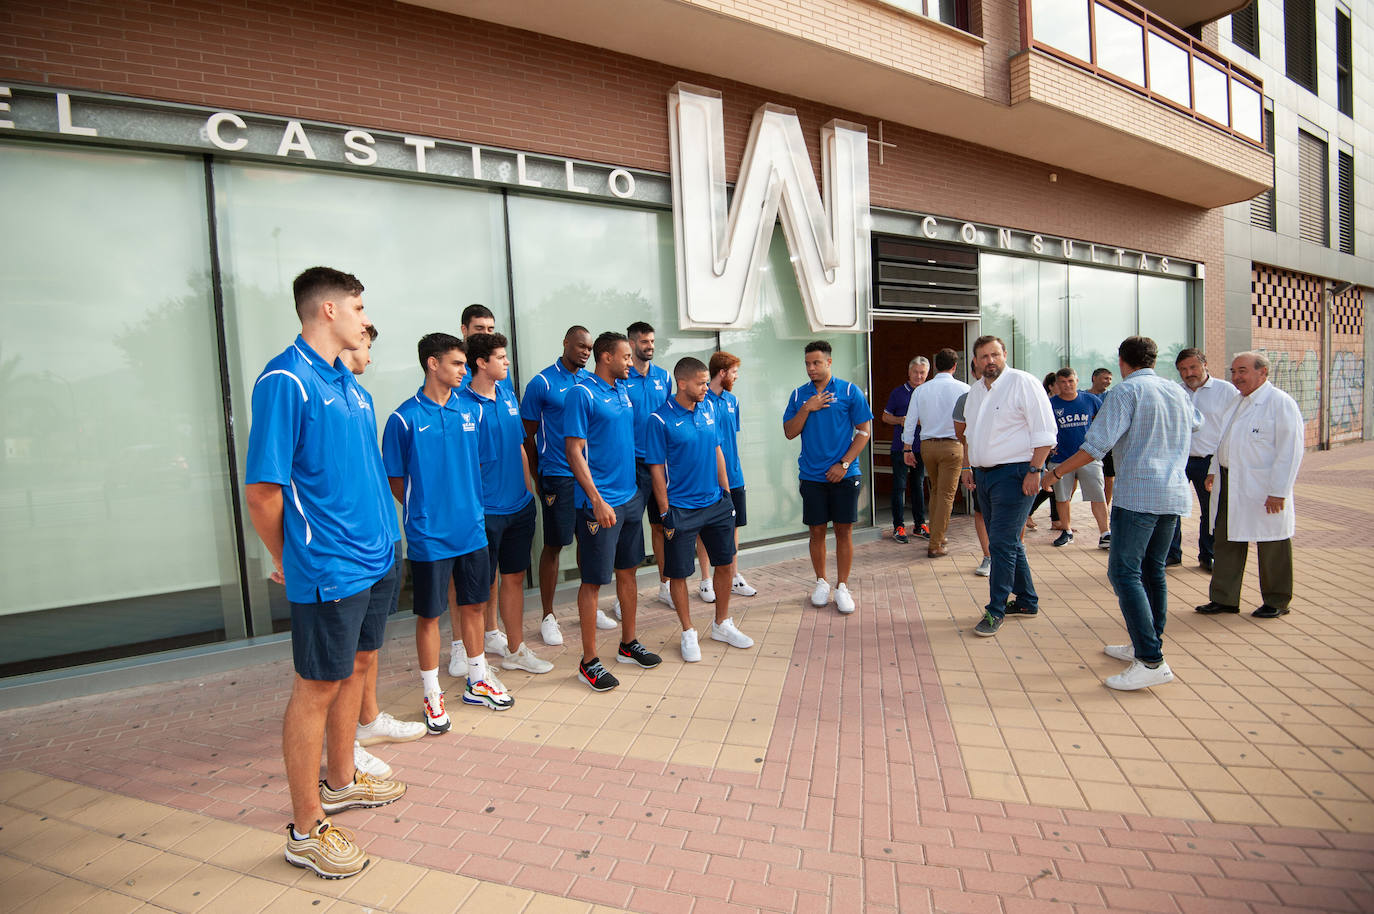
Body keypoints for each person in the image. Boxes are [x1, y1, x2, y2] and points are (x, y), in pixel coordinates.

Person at [244, 266, 406, 880]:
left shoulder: (351, 385)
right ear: (330, 310)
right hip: (329, 565)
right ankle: (305, 828)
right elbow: (264, 492)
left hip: (375, 555)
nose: (367, 319)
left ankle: (340, 781)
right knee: (315, 689)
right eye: (360, 306)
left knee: (358, 668)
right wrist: (289, 557)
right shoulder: (285, 380)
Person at [1043, 336, 1200, 690]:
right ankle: (1147, 644)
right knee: (1152, 570)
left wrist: (1054, 473)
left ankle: (1150, 659)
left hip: (1140, 494)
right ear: (1153, 360)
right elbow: (1197, 423)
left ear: (1122, 362)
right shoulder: (1176, 391)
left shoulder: (1125, 393)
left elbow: (1095, 446)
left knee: (1123, 572)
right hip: (1172, 492)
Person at [383, 334, 514, 726]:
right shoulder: (403, 418)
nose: (463, 370)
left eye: (464, 364)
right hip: (429, 536)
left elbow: (479, 467)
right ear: (432, 364)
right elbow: (394, 479)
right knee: (429, 615)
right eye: (457, 364)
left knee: (474, 605)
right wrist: (425, 511)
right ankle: (431, 693)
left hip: (471, 531)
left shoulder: (469, 412)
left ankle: (478, 679)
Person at [338, 324, 427, 781]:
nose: (370, 358)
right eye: (368, 347)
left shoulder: (359, 396)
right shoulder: (303, 387)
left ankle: (368, 721)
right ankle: (343, 749)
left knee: (369, 650)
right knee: (347, 659)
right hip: (344, 552)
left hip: (380, 542)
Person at [565, 331, 663, 691]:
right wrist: (595, 499)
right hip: (599, 505)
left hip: (629, 499)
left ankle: (628, 644)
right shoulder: (582, 393)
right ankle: (588, 661)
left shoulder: (622, 390)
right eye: (625, 357)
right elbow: (574, 451)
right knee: (593, 581)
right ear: (605, 358)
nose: (630, 362)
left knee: (629, 572)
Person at [647, 357, 754, 661]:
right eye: (701, 382)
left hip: (716, 503)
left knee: (725, 563)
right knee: (679, 573)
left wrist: (726, 493)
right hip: (681, 508)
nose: (707, 387)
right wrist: (666, 511)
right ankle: (688, 631)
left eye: (708, 382)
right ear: (682, 383)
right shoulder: (659, 419)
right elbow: (655, 469)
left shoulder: (708, 408)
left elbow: (717, 449)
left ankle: (721, 623)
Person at [460, 332, 554, 675]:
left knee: (514, 578)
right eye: (500, 357)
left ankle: (515, 651)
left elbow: (519, 445)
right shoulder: (461, 404)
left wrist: (529, 492)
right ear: (481, 363)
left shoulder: (508, 396)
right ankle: (477, 664)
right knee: (479, 589)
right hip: (484, 513)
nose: (507, 362)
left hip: (518, 508)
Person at [521, 326, 616, 645]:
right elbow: (526, 435)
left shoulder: (590, 384)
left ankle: (588, 609)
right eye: (579, 346)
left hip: (588, 478)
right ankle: (548, 615)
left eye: (589, 348)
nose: (585, 352)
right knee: (555, 544)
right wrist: (538, 475)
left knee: (589, 544)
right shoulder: (542, 383)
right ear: (565, 343)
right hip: (558, 478)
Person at [960, 335, 1056, 637]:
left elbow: (1045, 432)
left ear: (1005, 355)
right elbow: (969, 435)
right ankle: (1026, 601)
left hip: (1016, 474)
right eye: (984, 356)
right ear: (975, 361)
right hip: (984, 475)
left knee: (1000, 543)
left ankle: (996, 610)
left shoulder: (1023, 383)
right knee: (1009, 541)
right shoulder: (975, 392)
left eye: (995, 355)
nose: (990, 361)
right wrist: (968, 466)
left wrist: (1034, 470)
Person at [1197, 352, 1304, 620]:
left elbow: (1290, 452)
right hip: (1229, 482)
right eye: (1233, 371)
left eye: (1242, 371)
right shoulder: (1237, 401)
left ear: (1263, 372)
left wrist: (1279, 491)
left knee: (1272, 544)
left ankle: (1277, 599)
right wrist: (1212, 470)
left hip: (1263, 487)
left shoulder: (1279, 403)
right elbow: (1222, 441)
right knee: (1226, 540)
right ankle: (1224, 598)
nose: (1236, 377)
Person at [782, 340, 874, 615]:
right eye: (808, 363)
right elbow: (789, 432)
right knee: (816, 531)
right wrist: (807, 408)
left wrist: (844, 463)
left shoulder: (849, 391)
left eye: (816, 363)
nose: (811, 368)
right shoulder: (799, 396)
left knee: (844, 531)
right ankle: (821, 582)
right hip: (812, 475)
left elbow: (864, 432)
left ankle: (842, 586)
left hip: (845, 474)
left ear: (829, 362)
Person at [1167, 348, 1239, 570]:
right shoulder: (1174, 392)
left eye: (1193, 367)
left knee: (1211, 511)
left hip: (1210, 462)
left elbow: (1233, 426)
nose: (1189, 373)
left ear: (1205, 364)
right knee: (1171, 509)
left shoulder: (1226, 391)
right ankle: (1171, 554)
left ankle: (1208, 555)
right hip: (1178, 460)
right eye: (1183, 370)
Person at [694, 351, 758, 601]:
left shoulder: (733, 401)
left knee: (732, 526)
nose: (736, 376)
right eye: (733, 371)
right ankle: (705, 580)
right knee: (704, 528)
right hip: (707, 476)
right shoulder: (700, 400)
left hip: (734, 475)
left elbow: (732, 437)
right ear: (722, 373)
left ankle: (733, 576)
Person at [623, 321, 674, 610]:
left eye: (652, 341)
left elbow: (669, 418)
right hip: (629, 465)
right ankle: (623, 594)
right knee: (629, 529)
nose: (650, 346)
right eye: (644, 341)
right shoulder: (621, 377)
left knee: (660, 525)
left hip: (659, 464)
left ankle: (665, 586)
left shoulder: (664, 377)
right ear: (631, 344)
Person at [901, 348, 968, 558]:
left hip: (927, 446)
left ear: (935, 366)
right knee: (947, 495)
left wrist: (907, 448)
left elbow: (910, 421)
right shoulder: (965, 388)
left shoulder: (921, 390)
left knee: (937, 491)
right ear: (955, 366)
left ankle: (938, 534)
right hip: (953, 446)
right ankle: (936, 543)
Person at [1047, 368, 1109, 550]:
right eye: (1063, 382)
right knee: (1062, 497)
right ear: (1057, 384)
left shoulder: (1090, 400)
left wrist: (1098, 444)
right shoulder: (1051, 404)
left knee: (1098, 495)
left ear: (1077, 381)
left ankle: (1105, 533)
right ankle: (1066, 531)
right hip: (1061, 459)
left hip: (1089, 456)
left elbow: (1103, 421)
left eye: (1070, 381)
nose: (1067, 385)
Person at [883, 356, 929, 543]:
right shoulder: (898, 393)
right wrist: (901, 420)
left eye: (922, 373)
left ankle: (919, 526)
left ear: (927, 374)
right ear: (909, 372)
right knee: (899, 487)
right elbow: (885, 417)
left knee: (918, 486)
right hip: (900, 448)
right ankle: (899, 526)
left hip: (922, 447)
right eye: (915, 372)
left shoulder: (929, 392)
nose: (919, 376)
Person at [953, 364, 991, 578]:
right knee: (981, 511)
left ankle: (1014, 552)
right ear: (974, 373)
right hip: (979, 466)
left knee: (1011, 515)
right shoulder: (966, 399)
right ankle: (988, 556)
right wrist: (966, 466)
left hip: (1011, 467)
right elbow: (964, 436)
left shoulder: (1013, 394)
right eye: (980, 366)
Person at [1024, 372, 1063, 533]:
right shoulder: (1046, 403)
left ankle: (1056, 519)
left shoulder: (1064, 402)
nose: (1064, 386)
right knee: (1048, 485)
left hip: (1059, 449)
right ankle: (1029, 512)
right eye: (1060, 383)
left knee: (1053, 486)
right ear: (1051, 386)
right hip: (1046, 451)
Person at [1088, 367, 1116, 506]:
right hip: (1086, 443)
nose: (1108, 382)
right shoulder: (1083, 396)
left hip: (1107, 443)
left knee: (1109, 476)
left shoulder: (1112, 396)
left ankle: (1106, 507)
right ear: (1094, 378)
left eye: (1110, 379)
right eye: (1105, 378)